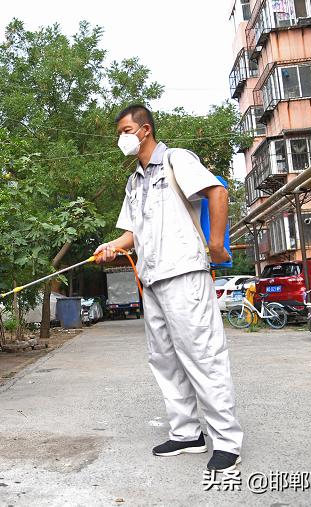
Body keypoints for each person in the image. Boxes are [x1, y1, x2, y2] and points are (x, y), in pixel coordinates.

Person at [94, 104, 243, 472]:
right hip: (152, 280)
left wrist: (217, 244)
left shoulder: (177, 160)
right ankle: (186, 433)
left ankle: (226, 442)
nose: (121, 138)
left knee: (202, 355)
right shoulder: (134, 182)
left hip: (185, 274)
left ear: (145, 130)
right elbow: (133, 233)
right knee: (164, 359)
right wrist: (114, 246)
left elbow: (217, 192)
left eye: (126, 130)